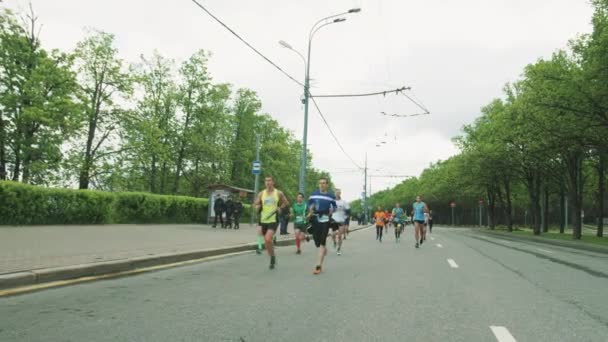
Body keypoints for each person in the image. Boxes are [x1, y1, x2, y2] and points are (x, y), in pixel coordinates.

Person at [253, 176, 289, 269]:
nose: (268, 182)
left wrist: (280, 208)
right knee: (266, 241)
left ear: (273, 182)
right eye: (266, 181)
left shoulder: (278, 193)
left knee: (268, 239)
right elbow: (256, 203)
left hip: (273, 219)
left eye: (269, 181)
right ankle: (272, 256)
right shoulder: (262, 193)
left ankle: (272, 257)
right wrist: (257, 206)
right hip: (263, 219)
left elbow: (286, 203)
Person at [307, 177, 336, 275]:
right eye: (320, 183)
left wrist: (332, 210)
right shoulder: (314, 194)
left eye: (324, 183)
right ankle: (323, 250)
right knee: (317, 243)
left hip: (325, 220)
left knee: (322, 242)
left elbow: (334, 206)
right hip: (315, 219)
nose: (322, 185)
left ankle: (318, 266)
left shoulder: (331, 196)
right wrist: (310, 210)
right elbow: (310, 204)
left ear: (327, 185)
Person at [331, 189, 350, 256]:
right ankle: (334, 242)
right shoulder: (332, 202)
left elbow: (348, 210)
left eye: (339, 193)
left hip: (341, 220)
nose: (337, 194)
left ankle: (339, 249)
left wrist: (346, 216)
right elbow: (329, 210)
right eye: (336, 193)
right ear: (334, 193)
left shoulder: (343, 202)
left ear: (340, 193)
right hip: (333, 220)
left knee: (339, 236)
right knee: (333, 234)